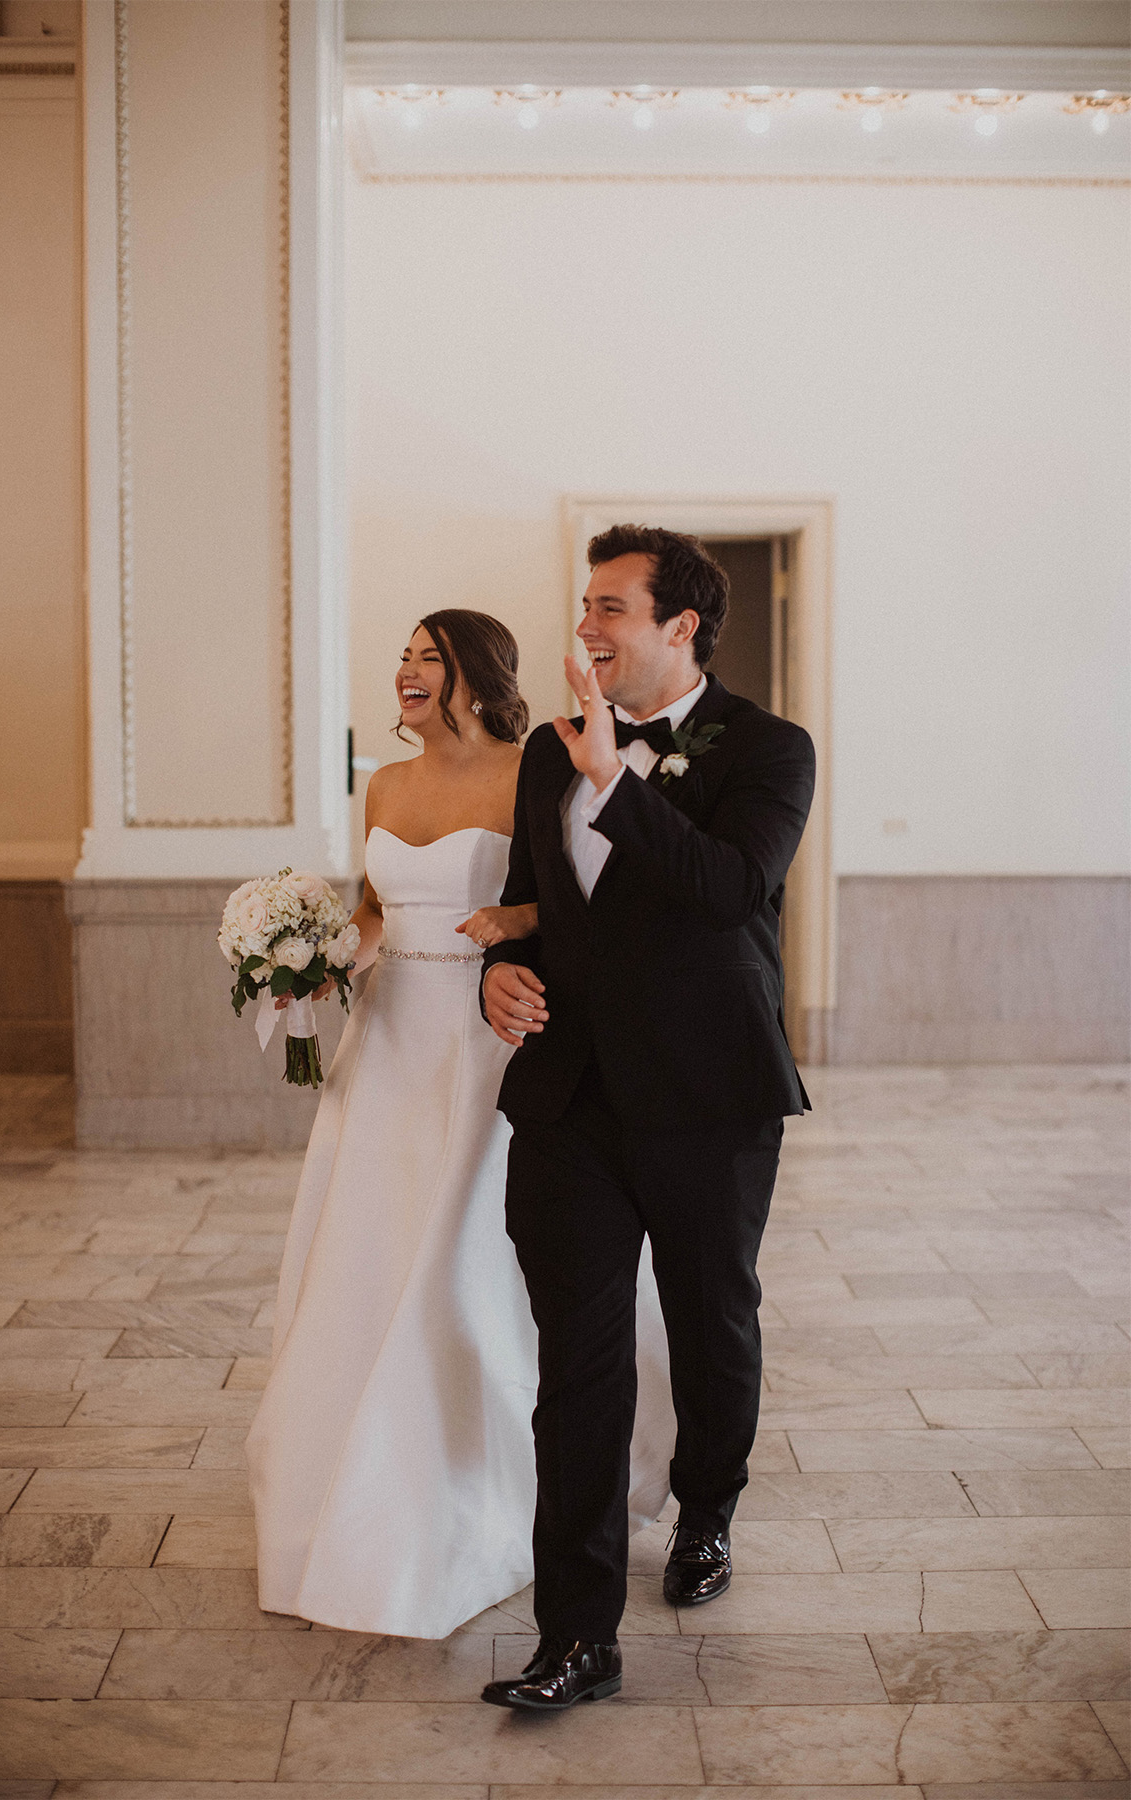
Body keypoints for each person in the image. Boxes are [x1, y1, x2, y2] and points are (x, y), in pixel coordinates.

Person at [246, 608, 673, 1638]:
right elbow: (382, 912)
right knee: (367, 1257)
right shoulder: (382, 788)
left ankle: (487, 1486)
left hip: (484, 1042)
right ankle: (355, 1470)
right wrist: (305, 961)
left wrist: (510, 922)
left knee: (462, 1264)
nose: (407, 673)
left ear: (476, 675)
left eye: (428, 659)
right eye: (402, 657)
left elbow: (568, 895)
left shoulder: (526, 769)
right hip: (387, 1048)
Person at [478, 526, 816, 1710]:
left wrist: (618, 777)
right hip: (570, 1101)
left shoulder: (769, 749)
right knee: (576, 1365)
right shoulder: (543, 755)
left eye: (612, 608)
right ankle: (577, 1635)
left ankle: (706, 1509)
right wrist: (494, 978)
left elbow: (730, 889)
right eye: (585, 605)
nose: (587, 628)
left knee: (711, 1321)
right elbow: (532, 905)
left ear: (681, 626)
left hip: (709, 1099)